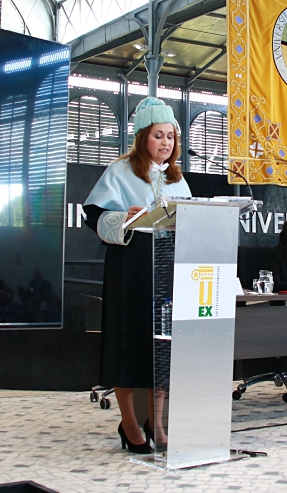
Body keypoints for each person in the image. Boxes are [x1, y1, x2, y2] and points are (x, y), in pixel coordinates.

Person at [82, 97, 190, 455]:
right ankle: (129, 423)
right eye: (159, 135)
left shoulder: (176, 177)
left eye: (171, 137)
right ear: (144, 136)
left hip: (166, 268)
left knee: (160, 347)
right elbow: (94, 214)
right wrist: (123, 218)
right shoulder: (121, 170)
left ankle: (155, 422)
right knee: (128, 345)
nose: (166, 143)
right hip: (130, 268)